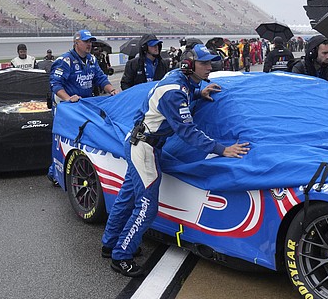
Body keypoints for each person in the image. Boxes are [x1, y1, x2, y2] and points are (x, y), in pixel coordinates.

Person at [101, 44, 251, 277]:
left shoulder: (180, 79)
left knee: (127, 196)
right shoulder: (175, 91)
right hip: (145, 149)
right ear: (189, 65)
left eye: (211, 62)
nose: (210, 67)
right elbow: (188, 132)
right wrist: (222, 150)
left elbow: (178, 99)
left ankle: (110, 243)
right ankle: (121, 255)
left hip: (138, 142)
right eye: (205, 63)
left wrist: (198, 94)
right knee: (147, 208)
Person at [47, 30, 118, 184]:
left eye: (90, 41)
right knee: (61, 139)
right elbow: (55, 84)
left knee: (83, 136)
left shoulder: (92, 59)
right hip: (66, 106)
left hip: (84, 105)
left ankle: (80, 169)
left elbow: (101, 78)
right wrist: (68, 98)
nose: (89, 44)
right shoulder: (65, 60)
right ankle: (54, 172)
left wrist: (112, 90)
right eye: (86, 41)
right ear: (76, 43)